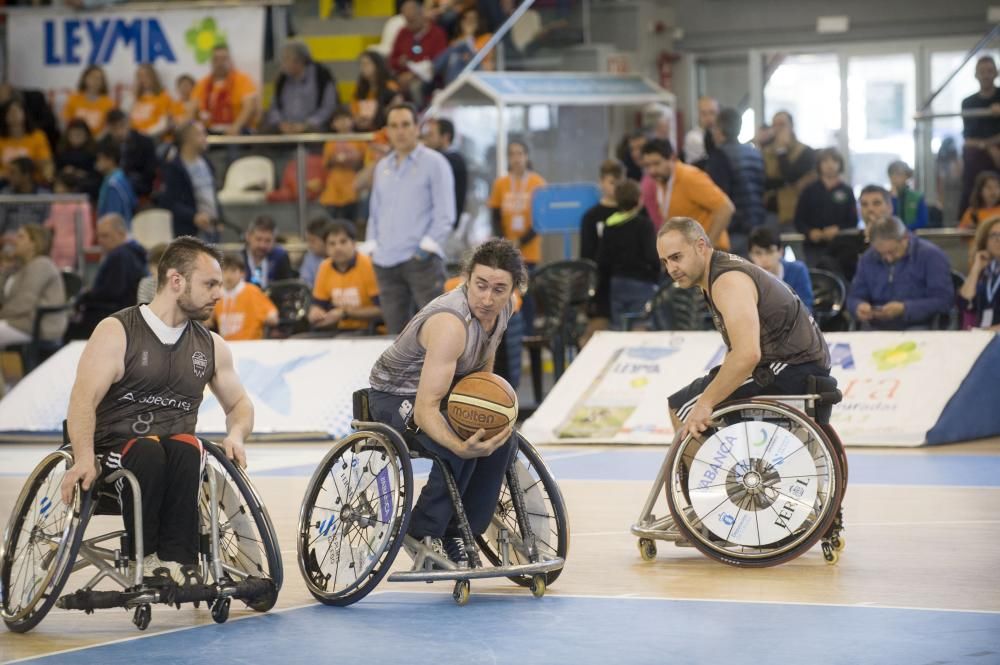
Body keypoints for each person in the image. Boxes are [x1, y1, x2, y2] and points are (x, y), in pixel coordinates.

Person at [60, 236, 254, 584]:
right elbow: (82, 400)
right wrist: (84, 457)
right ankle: (145, 557)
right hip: (113, 453)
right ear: (176, 281)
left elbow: (239, 403)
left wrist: (236, 434)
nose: (218, 294)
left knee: (188, 446)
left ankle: (179, 561)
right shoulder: (117, 331)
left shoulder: (212, 345)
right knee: (148, 449)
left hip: (175, 454)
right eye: (209, 284)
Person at [367, 238, 521, 565]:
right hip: (394, 395)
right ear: (466, 278)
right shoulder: (451, 324)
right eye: (480, 285)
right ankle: (420, 528)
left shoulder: (504, 309)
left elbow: (483, 367)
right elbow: (425, 410)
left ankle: (459, 530)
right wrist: (461, 445)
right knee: (458, 439)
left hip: (446, 390)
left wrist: (486, 412)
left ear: (512, 290)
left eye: (498, 289)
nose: (487, 297)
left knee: (502, 440)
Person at [657, 217, 830, 437]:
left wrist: (704, 404)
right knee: (705, 393)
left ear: (700, 246)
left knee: (683, 408)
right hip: (794, 361)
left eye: (676, 257)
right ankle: (713, 468)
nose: (671, 268)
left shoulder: (726, 281)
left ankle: (702, 471)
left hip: (792, 365)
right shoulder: (716, 273)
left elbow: (747, 355)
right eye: (665, 262)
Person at [364, 102, 453, 334]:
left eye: (405, 124)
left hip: (421, 261)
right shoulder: (382, 166)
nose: (400, 131)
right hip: (385, 262)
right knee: (396, 338)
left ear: (417, 127)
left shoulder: (435, 163)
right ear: (387, 130)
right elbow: (375, 211)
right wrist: (373, 247)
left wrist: (424, 249)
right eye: (394, 126)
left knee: (436, 333)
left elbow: (445, 214)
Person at [847, 216, 954, 331]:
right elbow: (853, 296)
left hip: (917, 325)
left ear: (905, 238)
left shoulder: (932, 256)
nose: (888, 258)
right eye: (881, 253)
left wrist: (905, 308)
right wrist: (858, 306)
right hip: (875, 326)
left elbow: (944, 300)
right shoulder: (868, 258)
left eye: (892, 252)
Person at [640, 138, 735, 250]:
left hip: (710, 254)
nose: (652, 171)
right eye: (647, 166)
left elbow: (726, 208)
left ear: (672, 158)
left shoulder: (690, 177)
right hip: (688, 254)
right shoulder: (662, 181)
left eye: (656, 164)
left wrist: (708, 247)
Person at [69, 214, 148, 339]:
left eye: (105, 236)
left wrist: (86, 296)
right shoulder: (133, 253)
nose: (100, 240)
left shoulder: (119, 255)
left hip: (112, 315)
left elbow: (113, 292)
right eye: (99, 236)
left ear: (121, 234)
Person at [599, 180, 660, 329]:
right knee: (641, 325)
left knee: (619, 326)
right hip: (641, 282)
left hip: (617, 282)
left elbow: (602, 259)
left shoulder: (609, 225)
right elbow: (652, 256)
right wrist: (656, 276)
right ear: (639, 199)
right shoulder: (644, 225)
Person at [708, 107, 765, 256]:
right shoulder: (755, 153)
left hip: (734, 230)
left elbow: (719, 198)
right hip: (757, 226)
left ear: (719, 131)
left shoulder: (719, 156)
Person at [308, 220, 381, 334]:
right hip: (336, 329)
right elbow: (318, 305)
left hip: (369, 329)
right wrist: (315, 313)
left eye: (343, 242)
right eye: (332, 244)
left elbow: (382, 310)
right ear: (326, 248)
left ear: (354, 243)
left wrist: (345, 313)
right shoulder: (324, 267)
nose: (337, 248)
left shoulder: (368, 265)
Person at [0, 224, 67, 347]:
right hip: (18, 322)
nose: (15, 241)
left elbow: (24, 303)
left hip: (38, 327)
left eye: (21, 237)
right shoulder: (21, 266)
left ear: (34, 243)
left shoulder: (41, 264)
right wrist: (5, 270)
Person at [578, 159, 623, 343]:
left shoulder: (634, 212)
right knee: (595, 336)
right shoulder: (591, 217)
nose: (616, 187)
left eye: (620, 183)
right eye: (612, 182)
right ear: (601, 182)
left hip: (625, 283)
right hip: (601, 286)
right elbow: (586, 255)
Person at [794, 147, 858, 271]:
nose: (830, 165)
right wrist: (810, 232)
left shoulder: (847, 191)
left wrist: (838, 229)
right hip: (813, 247)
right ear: (819, 165)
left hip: (842, 248)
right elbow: (799, 220)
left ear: (840, 164)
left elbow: (853, 221)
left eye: (834, 161)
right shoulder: (809, 190)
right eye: (825, 161)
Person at [488, 139, 547, 267]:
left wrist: (520, 241)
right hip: (505, 251)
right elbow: (495, 216)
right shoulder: (500, 183)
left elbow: (542, 220)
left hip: (530, 251)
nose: (516, 158)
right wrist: (505, 242)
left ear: (526, 156)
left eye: (520, 154)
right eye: (512, 154)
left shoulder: (538, 183)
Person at [159, 121, 221, 239]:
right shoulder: (174, 167)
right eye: (200, 134)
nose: (205, 138)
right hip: (190, 231)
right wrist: (193, 216)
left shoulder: (206, 163)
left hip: (211, 227)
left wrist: (219, 216)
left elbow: (212, 194)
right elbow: (169, 202)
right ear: (188, 139)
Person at [264, 41, 339, 135]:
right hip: (285, 127)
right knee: (264, 133)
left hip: (313, 126)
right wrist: (281, 123)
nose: (282, 63)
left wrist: (306, 124)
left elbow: (328, 107)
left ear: (299, 61)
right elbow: (274, 107)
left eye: (286, 59)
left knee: (316, 132)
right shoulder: (282, 79)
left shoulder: (322, 76)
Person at [959, 56, 1000, 218]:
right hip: (979, 151)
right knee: (970, 156)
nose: (986, 75)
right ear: (976, 75)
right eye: (982, 72)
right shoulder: (968, 102)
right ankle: (969, 216)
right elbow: (968, 139)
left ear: (996, 73)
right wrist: (989, 146)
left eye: (989, 71)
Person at [763, 111, 816, 228]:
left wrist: (782, 151)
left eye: (782, 124)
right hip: (769, 212)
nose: (778, 129)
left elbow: (790, 176)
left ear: (791, 127)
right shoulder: (765, 151)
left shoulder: (805, 152)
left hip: (795, 213)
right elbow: (764, 181)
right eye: (774, 125)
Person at [389, 0, 448, 104]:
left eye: (412, 20)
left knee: (415, 87)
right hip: (402, 76)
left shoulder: (437, 33)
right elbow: (392, 60)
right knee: (389, 88)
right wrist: (399, 62)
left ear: (422, 15)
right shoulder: (403, 33)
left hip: (429, 79)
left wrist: (413, 74)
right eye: (407, 21)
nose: (409, 24)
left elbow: (439, 63)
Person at [193, 44, 260, 135]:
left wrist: (236, 127)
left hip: (239, 129)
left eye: (224, 59)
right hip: (209, 131)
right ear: (211, 62)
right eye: (216, 59)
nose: (220, 63)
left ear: (230, 61)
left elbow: (249, 107)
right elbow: (192, 109)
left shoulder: (242, 79)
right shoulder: (203, 83)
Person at [748, 226, 814, 312]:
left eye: (770, 251)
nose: (764, 259)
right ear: (750, 255)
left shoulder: (798, 270)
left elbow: (807, 310)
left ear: (781, 252)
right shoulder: (746, 276)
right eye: (758, 253)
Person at [213, 253, 279, 341]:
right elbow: (207, 321)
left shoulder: (252, 291)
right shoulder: (216, 294)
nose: (228, 275)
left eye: (233, 270)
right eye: (224, 270)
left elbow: (273, 317)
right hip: (227, 346)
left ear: (242, 273)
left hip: (251, 345)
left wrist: (267, 316)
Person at [319, 108, 365, 221]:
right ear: (333, 124)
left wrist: (352, 159)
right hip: (333, 189)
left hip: (353, 187)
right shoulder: (330, 141)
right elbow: (326, 163)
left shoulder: (360, 140)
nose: (342, 123)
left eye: (345, 119)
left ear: (352, 120)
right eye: (338, 120)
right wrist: (336, 159)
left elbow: (365, 163)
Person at [422, 117, 467, 229]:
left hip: (446, 230)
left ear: (445, 137)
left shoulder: (453, 160)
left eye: (431, 134)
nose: (426, 139)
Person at [45, 171, 94, 270]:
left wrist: (84, 249)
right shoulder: (56, 204)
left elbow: (87, 230)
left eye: (58, 185)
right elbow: (50, 224)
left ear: (67, 187)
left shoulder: (81, 204)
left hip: (74, 248)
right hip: (57, 247)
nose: (56, 189)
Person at [433, 6, 494, 86]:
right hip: (458, 77)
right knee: (454, 55)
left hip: (478, 78)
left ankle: (430, 68)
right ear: (460, 22)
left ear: (479, 22)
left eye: (472, 19)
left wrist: (469, 38)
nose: (469, 22)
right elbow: (450, 66)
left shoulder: (486, 38)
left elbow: (488, 66)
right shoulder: (456, 42)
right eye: (465, 19)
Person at [958, 216, 1000, 330]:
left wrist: (987, 332)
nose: (997, 239)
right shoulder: (984, 271)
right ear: (985, 241)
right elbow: (965, 304)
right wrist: (976, 269)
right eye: (993, 235)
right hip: (980, 335)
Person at [105, 109, 158, 199]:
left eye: (122, 126)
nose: (119, 132)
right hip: (112, 185)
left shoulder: (144, 142)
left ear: (128, 123)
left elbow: (150, 172)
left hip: (138, 186)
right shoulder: (105, 144)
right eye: (114, 128)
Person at [0, 99, 53, 181]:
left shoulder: (38, 136)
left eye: (17, 111)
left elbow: (46, 163)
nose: (14, 115)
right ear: (4, 116)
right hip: (5, 182)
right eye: (10, 112)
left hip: (33, 183)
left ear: (24, 113)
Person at [0, 157, 51, 236]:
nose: (8, 176)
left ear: (26, 175)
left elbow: (47, 226)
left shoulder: (44, 196)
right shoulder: (5, 194)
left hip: (35, 242)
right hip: (9, 242)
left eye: (13, 173)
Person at [352, 50, 399, 131]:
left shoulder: (390, 86)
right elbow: (354, 107)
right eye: (361, 64)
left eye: (366, 64)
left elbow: (395, 107)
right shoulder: (361, 89)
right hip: (363, 130)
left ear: (377, 65)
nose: (363, 68)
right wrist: (358, 119)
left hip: (384, 129)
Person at [55, 118, 101, 203]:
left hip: (86, 188)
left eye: (79, 135)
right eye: (73, 135)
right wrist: (64, 173)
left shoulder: (93, 152)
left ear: (86, 135)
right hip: (65, 187)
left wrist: (81, 174)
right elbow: (56, 172)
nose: (76, 138)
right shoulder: (62, 152)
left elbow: (97, 174)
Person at [242, 215, 293, 289]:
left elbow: (287, 288)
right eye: (258, 239)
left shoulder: (280, 256)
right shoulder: (239, 258)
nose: (262, 245)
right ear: (248, 237)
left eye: (268, 241)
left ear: (274, 240)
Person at [62, 65, 115, 137]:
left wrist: (95, 140)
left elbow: (108, 127)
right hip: (75, 141)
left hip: (98, 143)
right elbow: (65, 121)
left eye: (99, 78)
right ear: (85, 79)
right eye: (92, 77)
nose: (96, 81)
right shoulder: (73, 99)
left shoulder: (109, 103)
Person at [95, 138, 137, 224]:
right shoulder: (119, 178)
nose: (97, 163)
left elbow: (113, 215)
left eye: (100, 159)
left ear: (110, 160)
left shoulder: (114, 184)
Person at [129, 64, 173, 139]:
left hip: (153, 137)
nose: (142, 79)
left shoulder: (163, 96)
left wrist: (144, 134)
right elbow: (127, 119)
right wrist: (133, 97)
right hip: (134, 137)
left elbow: (164, 123)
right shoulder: (135, 97)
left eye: (146, 76)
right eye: (139, 76)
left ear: (153, 77)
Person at [888, 160, 928, 230]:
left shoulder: (917, 197)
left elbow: (923, 221)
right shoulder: (885, 197)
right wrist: (894, 198)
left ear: (906, 176)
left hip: (913, 235)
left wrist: (904, 229)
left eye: (899, 174)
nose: (894, 178)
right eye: (892, 174)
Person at [682, 96, 719, 166]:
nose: (708, 117)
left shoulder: (721, 135)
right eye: (704, 113)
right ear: (698, 114)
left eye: (712, 112)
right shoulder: (692, 137)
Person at [298, 216, 330, 288]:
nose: (309, 245)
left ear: (326, 239)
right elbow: (305, 285)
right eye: (308, 240)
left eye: (313, 241)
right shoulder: (309, 258)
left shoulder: (341, 257)